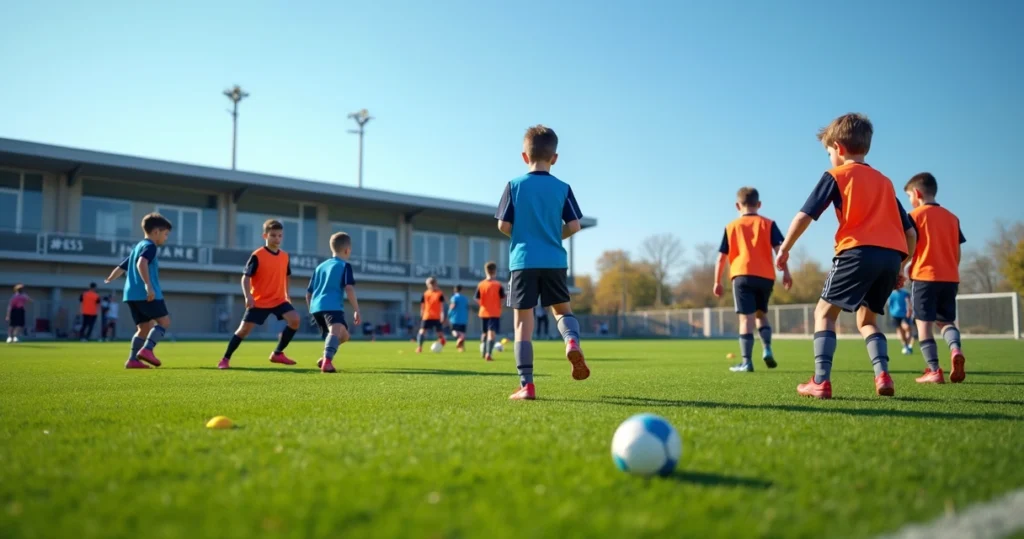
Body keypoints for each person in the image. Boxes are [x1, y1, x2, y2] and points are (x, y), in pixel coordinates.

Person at [775, 113, 917, 399]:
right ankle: (883, 376)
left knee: (824, 314)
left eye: (828, 152)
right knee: (867, 321)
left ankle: (820, 381)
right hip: (891, 257)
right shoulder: (885, 182)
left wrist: (785, 248)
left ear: (838, 148)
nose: (829, 158)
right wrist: (901, 266)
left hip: (856, 252)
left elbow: (805, 216)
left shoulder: (836, 176)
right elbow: (911, 232)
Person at [495, 125, 587, 400]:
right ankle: (571, 340)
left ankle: (528, 386)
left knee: (523, 324)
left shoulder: (514, 185)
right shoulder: (562, 187)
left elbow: (503, 225)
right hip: (554, 260)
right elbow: (574, 225)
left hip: (523, 261)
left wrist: (524, 234)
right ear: (554, 158)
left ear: (524, 156)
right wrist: (552, 234)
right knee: (562, 311)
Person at [713, 187, 793, 372]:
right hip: (766, 276)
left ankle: (746, 362)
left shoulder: (731, 226)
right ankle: (767, 349)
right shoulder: (768, 223)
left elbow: (721, 258)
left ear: (737, 205)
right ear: (759, 204)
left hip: (742, 275)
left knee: (746, 319)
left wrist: (717, 281)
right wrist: (786, 273)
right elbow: (780, 250)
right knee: (761, 315)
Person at [904, 173, 968, 384]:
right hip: (950, 277)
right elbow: (958, 252)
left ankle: (933, 370)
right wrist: (951, 270)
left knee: (924, 325)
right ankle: (955, 349)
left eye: (909, 196)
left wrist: (902, 268)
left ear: (917, 193)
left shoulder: (914, 216)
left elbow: (909, 246)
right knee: (946, 321)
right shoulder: (952, 217)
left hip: (924, 277)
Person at [219, 219, 300, 369]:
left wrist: (287, 294)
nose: (277, 239)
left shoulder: (285, 256)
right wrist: (248, 296)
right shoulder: (258, 255)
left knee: (295, 320)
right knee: (243, 331)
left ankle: (278, 353)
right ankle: (225, 359)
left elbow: (286, 276)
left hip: (278, 299)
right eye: (273, 235)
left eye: (280, 236)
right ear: (265, 236)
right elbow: (245, 277)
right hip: (259, 301)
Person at [104, 213, 174, 369]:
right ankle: (147, 350)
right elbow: (141, 264)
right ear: (156, 232)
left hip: (130, 295)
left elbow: (122, 267)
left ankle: (132, 360)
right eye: (165, 234)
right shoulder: (150, 246)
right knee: (164, 321)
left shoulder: (138, 247)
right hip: (146, 294)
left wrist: (110, 278)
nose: (166, 238)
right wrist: (148, 285)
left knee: (143, 328)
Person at [307, 232, 360, 374]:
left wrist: (311, 309)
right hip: (332, 306)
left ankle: (325, 357)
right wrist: (356, 309)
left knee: (344, 336)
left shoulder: (320, 267)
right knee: (335, 331)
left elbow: (309, 292)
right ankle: (327, 362)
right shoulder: (344, 266)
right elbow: (349, 288)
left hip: (316, 307)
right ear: (347, 250)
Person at [475, 262, 506, 361]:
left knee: (484, 333)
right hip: (494, 312)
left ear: (486, 271)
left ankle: (483, 352)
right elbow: (502, 299)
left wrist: (483, 305)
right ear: (495, 271)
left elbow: (477, 298)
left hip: (483, 312)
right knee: (491, 333)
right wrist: (499, 305)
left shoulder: (481, 284)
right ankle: (488, 353)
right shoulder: (498, 285)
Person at [416, 277, 447, 353]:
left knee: (440, 334)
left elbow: (442, 305)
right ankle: (419, 347)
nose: (429, 286)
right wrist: (421, 314)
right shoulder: (425, 294)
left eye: (431, 284)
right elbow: (422, 305)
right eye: (428, 284)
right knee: (422, 331)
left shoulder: (439, 294)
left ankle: (440, 345)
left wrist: (442, 315)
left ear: (435, 284)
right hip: (427, 316)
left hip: (436, 317)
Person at [887, 286, 914, 355]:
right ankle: (905, 346)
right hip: (895, 314)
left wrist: (909, 310)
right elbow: (890, 304)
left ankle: (907, 345)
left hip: (905, 314)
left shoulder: (905, 293)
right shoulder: (891, 294)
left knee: (907, 327)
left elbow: (909, 302)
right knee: (900, 331)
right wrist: (891, 312)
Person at [448, 284, 469, 352]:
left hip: (455, 318)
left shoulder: (454, 298)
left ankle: (459, 339)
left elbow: (452, 306)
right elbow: (466, 307)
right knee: (462, 333)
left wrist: (449, 314)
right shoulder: (465, 298)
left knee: (454, 331)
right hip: (463, 319)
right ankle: (461, 348)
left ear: (455, 290)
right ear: (461, 290)